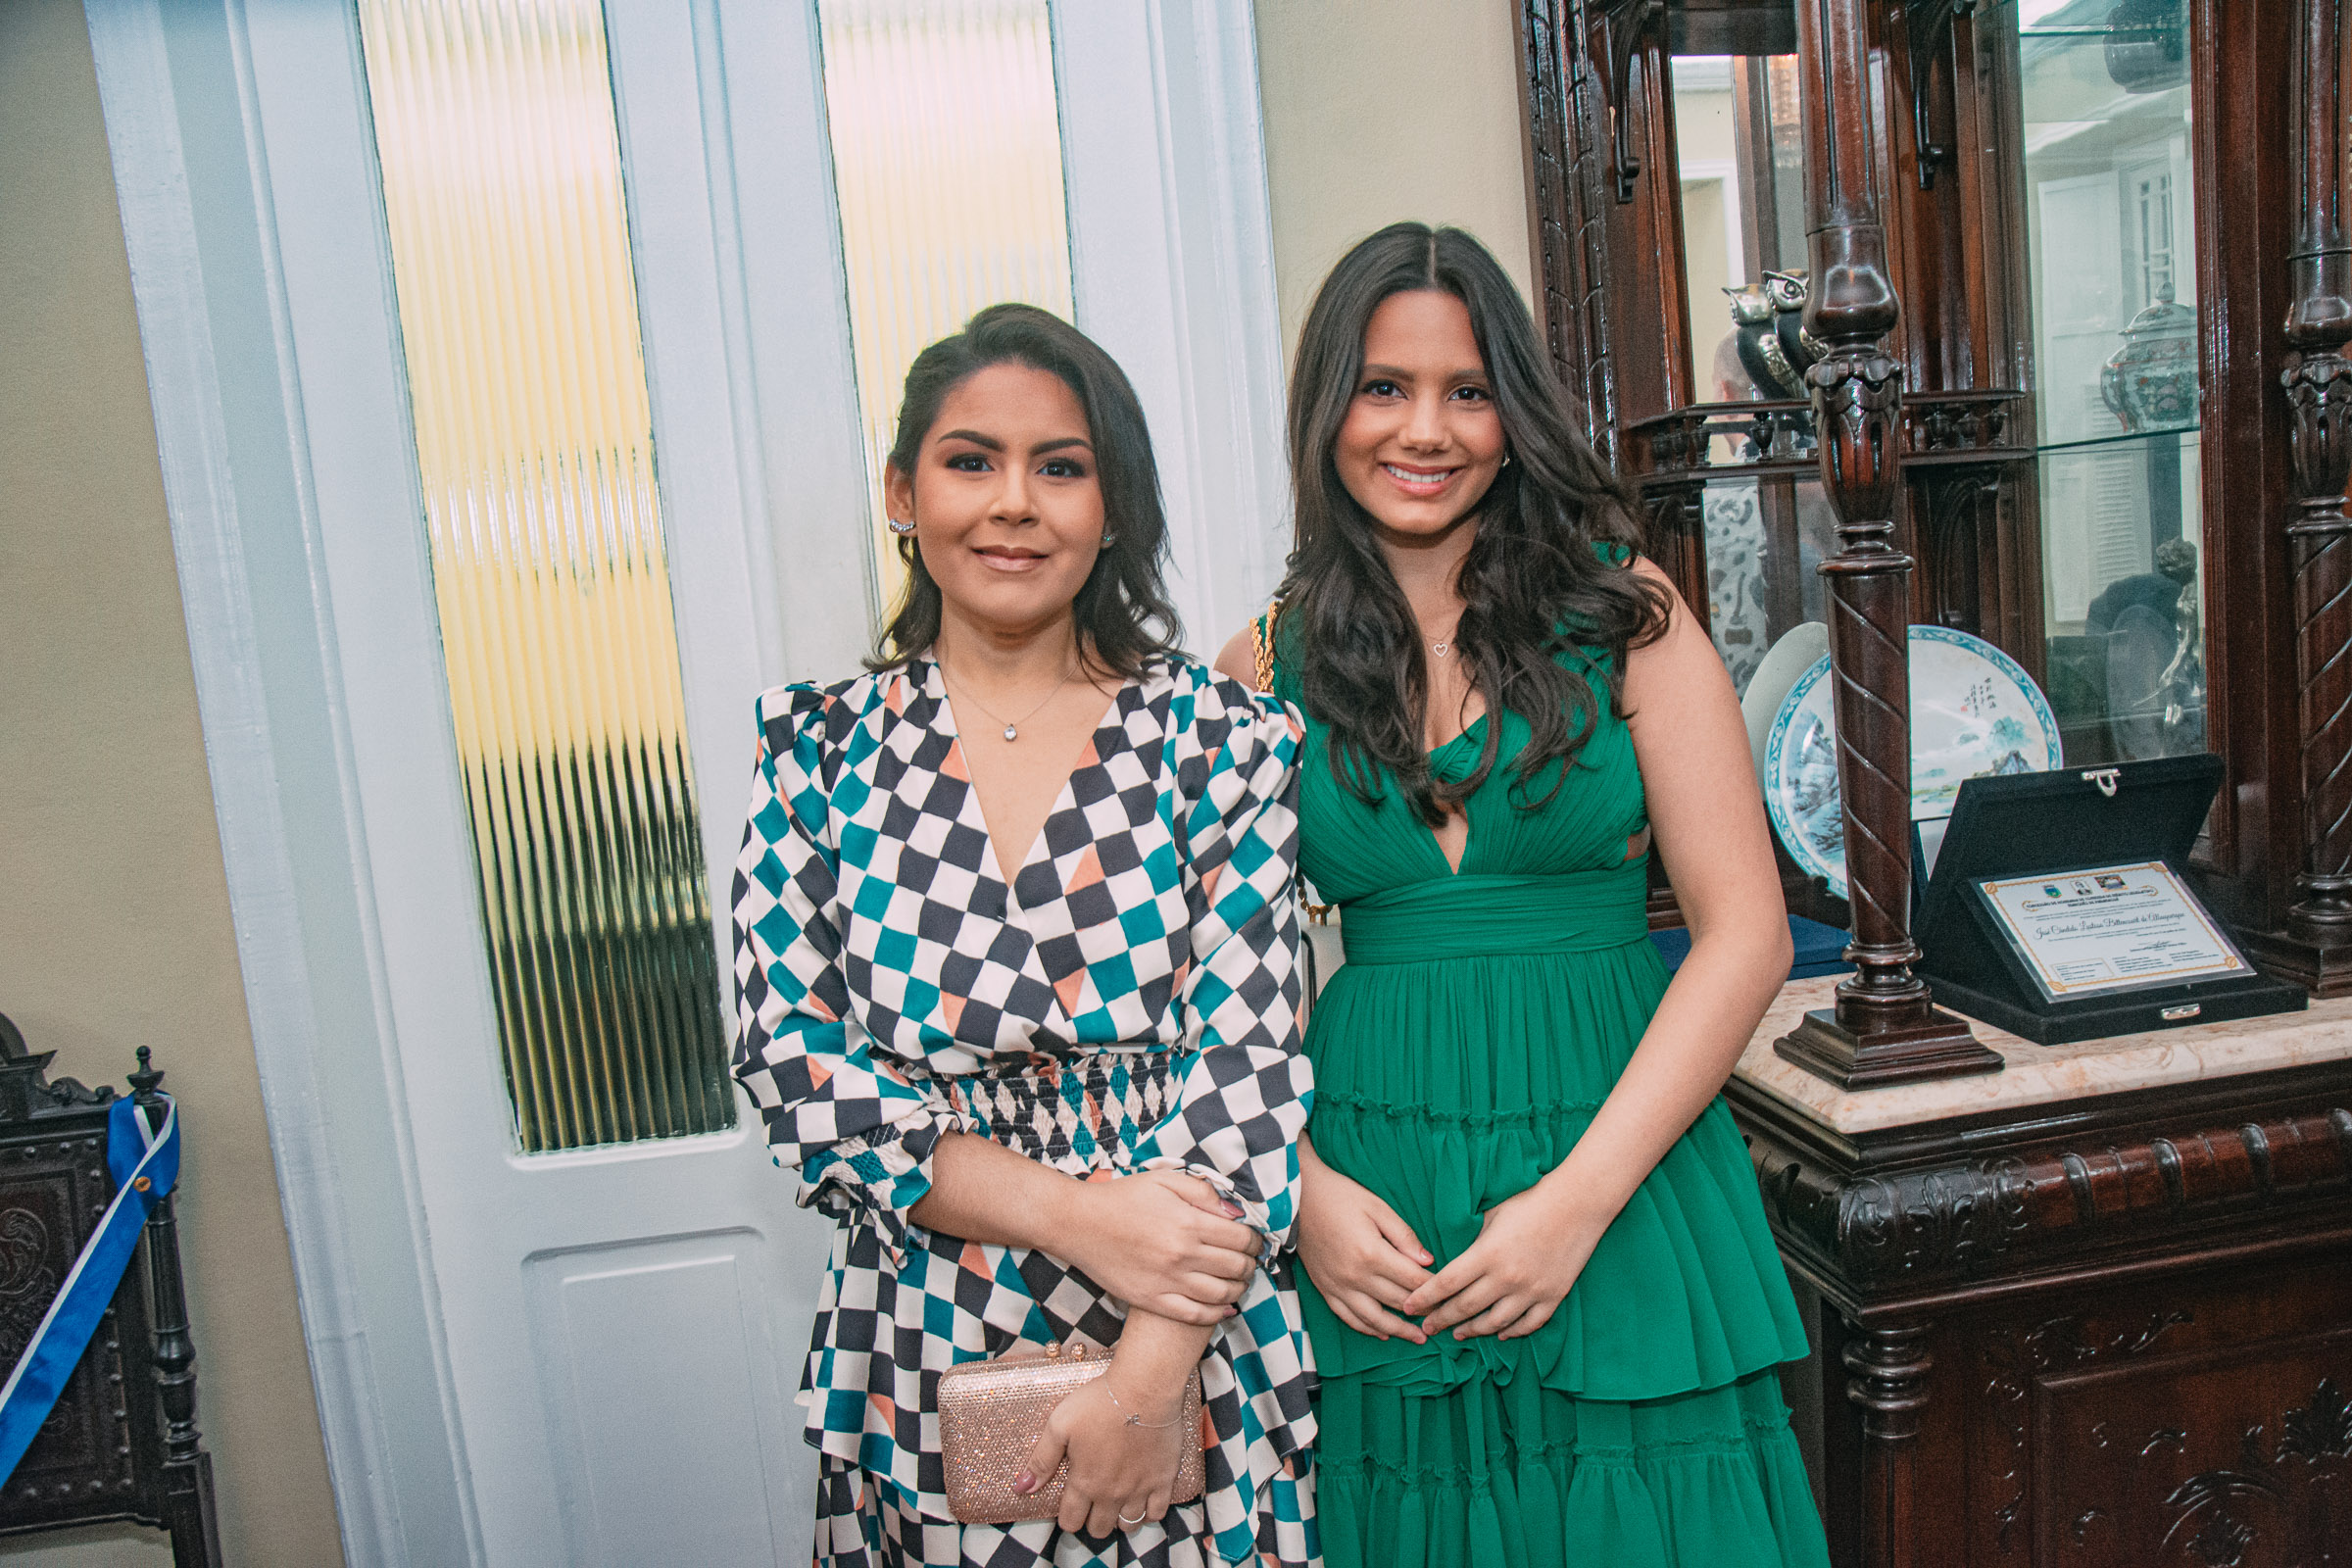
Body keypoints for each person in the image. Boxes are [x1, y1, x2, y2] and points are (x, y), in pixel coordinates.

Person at [1216, 224, 1829, 1566]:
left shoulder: (1625, 613)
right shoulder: (1260, 663)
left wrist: (1577, 1203)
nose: (1424, 429)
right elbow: (1209, 995)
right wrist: (1299, 1190)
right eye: (1383, 388)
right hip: (1375, 1191)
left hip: (1618, 1156)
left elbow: (1745, 934)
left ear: (1515, 419)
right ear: (1327, 408)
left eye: (1468, 391)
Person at [734, 304, 1316, 1568]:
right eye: (970, 461)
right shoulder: (817, 754)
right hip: (929, 1313)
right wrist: (1077, 1217)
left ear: (1113, 508)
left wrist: (1145, 1383)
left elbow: (1249, 1071)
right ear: (904, 493)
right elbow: (796, 1066)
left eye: (1060, 467)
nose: (1014, 503)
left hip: (1189, 1317)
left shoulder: (1217, 740)